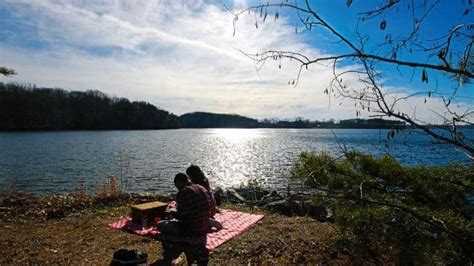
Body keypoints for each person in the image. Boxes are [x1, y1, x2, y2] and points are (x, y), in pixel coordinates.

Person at [186, 165, 222, 231]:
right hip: (212, 207)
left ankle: (207, 221)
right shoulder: (205, 180)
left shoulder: (195, 185)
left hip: (207, 210)